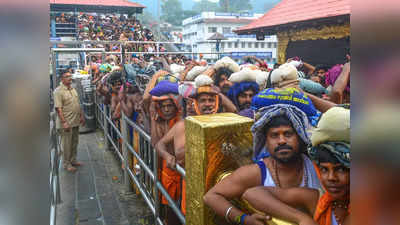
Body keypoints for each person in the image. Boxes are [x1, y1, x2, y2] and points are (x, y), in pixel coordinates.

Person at [203, 103, 321, 225]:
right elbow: (211, 196)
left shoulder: (318, 165)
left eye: (288, 134)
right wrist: (243, 219)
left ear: (300, 137)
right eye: (274, 135)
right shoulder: (256, 172)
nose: (281, 141)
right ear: (266, 142)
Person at [243, 107, 350, 225]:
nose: (331, 178)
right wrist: (302, 218)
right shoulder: (317, 199)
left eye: (340, 169)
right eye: (324, 169)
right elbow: (252, 193)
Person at [54, 70, 85, 172]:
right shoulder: (58, 91)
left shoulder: (72, 89)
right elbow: (58, 108)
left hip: (75, 121)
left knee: (74, 142)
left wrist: (81, 116)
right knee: (66, 145)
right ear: (62, 79)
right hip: (66, 123)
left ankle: (73, 159)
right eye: (67, 76)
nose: (70, 78)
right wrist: (64, 122)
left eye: (70, 76)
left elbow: (77, 103)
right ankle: (66, 163)